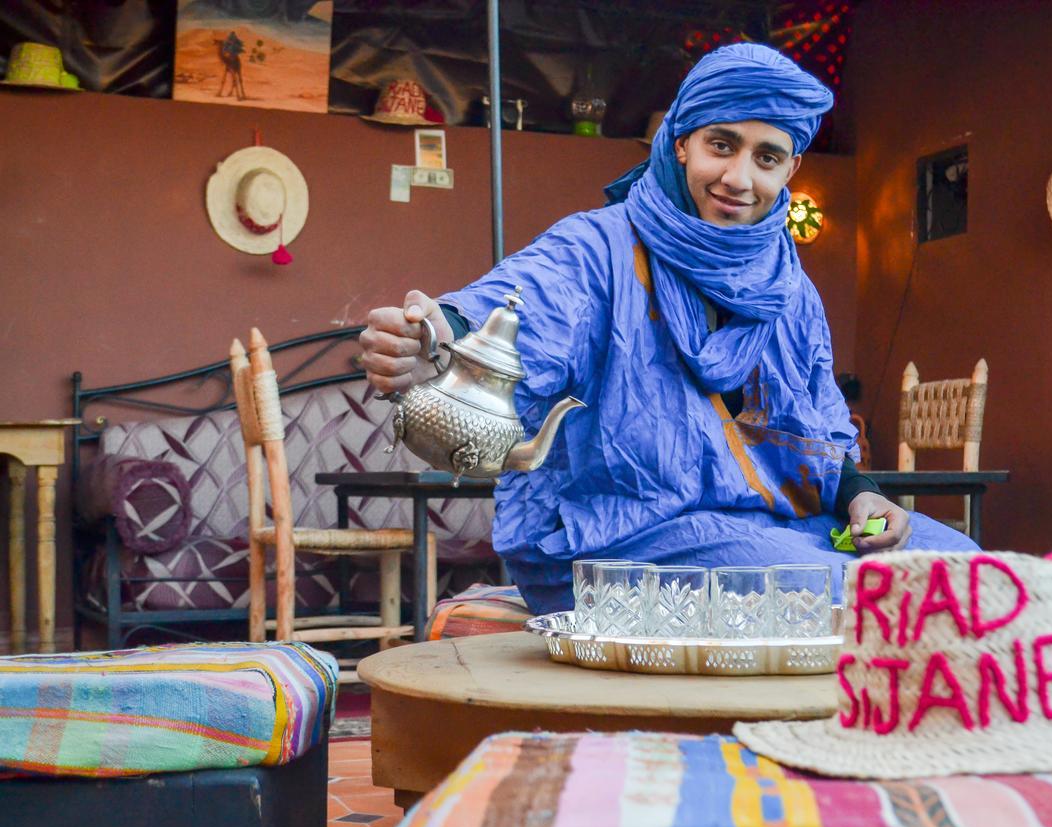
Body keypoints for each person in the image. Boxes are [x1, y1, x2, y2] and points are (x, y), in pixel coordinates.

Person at [361, 44, 975, 615]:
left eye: (767, 157)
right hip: (614, 537)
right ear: (680, 142)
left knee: (966, 572)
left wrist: (860, 496)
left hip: (769, 528)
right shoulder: (599, 247)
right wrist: (435, 343)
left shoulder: (790, 287)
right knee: (834, 591)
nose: (740, 177)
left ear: (791, 167)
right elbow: (518, 307)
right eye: (722, 145)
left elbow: (813, 420)